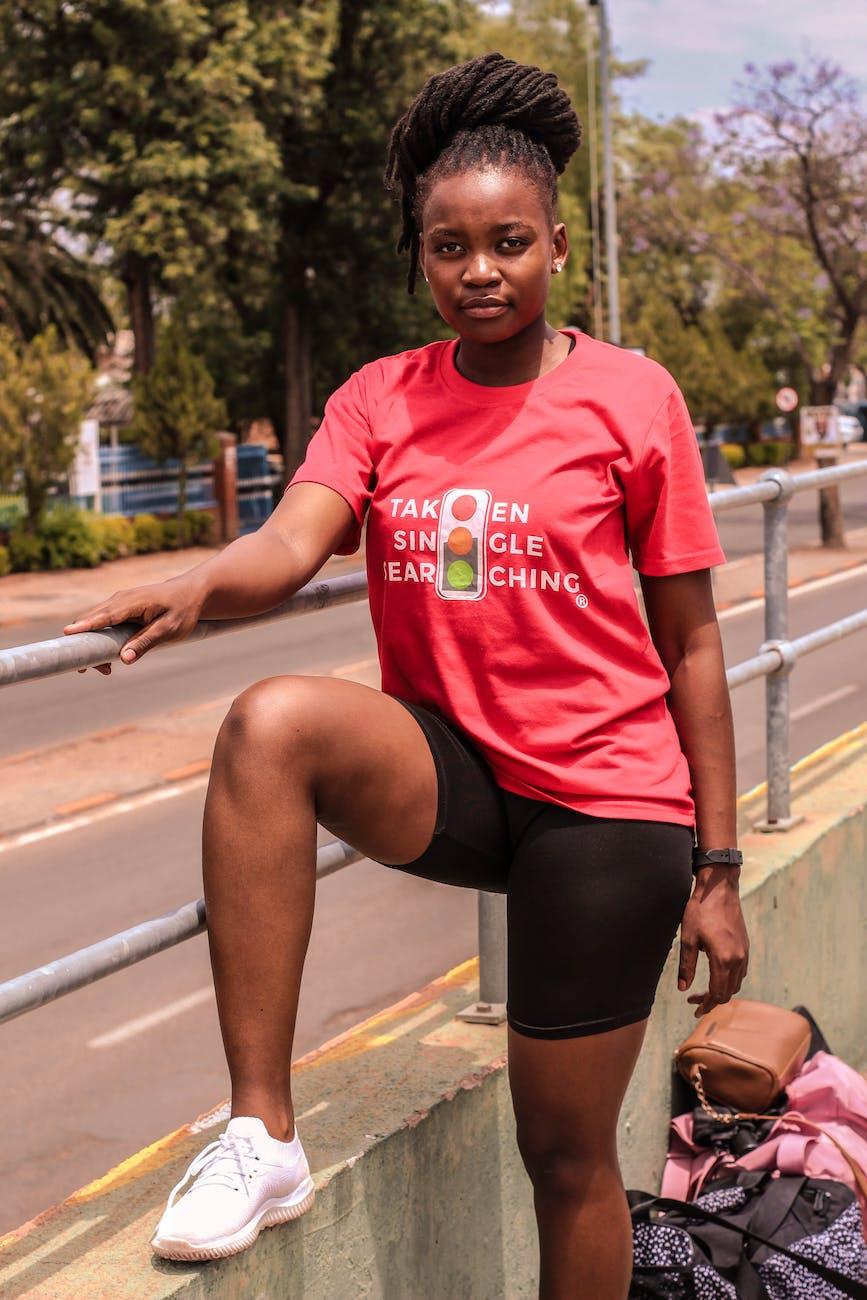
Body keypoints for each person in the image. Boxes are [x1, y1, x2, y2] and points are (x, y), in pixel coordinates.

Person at [64, 53, 749, 1300]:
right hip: (462, 775)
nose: (479, 270)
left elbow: (694, 643)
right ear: (419, 255)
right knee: (271, 723)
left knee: (566, 1153)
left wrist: (720, 866)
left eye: (508, 242)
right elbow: (291, 540)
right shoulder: (381, 399)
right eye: (449, 246)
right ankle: (263, 1135)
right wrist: (199, 583)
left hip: (608, 808)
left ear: (554, 248)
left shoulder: (633, 397)